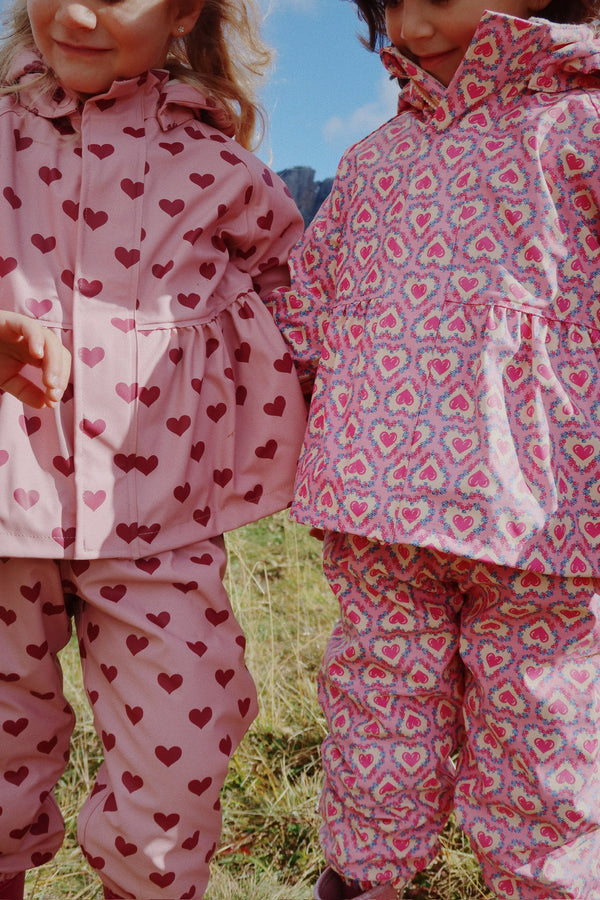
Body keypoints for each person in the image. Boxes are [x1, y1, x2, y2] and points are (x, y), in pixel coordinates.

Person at [268, 0, 600, 898]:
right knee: (377, 724)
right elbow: (302, 315)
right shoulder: (371, 163)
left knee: (548, 749)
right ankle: (364, 881)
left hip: (548, 526)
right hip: (379, 512)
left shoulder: (581, 126)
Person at [0, 0, 306, 896]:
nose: (79, 10)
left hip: (161, 519)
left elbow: (304, 304)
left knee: (184, 748)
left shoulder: (220, 168)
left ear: (182, 13)